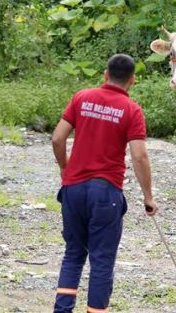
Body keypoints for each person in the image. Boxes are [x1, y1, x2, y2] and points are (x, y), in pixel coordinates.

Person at [51, 53, 158, 313]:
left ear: (105, 74)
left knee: (74, 254)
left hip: (73, 189)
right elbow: (139, 156)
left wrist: (66, 167)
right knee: (101, 260)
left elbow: (57, 139)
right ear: (132, 80)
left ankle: (62, 309)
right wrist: (148, 197)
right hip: (105, 192)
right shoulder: (131, 110)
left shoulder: (81, 98)